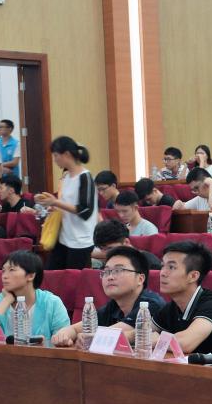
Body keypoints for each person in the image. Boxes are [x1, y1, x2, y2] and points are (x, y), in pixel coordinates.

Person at [52, 246, 165, 348]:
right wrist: (63, 335)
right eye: (106, 271)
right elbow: (75, 329)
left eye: (118, 271)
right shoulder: (113, 305)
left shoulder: (150, 305)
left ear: (140, 279)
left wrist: (87, 337)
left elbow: (112, 335)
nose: (110, 277)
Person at [151, 240, 212, 355]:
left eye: (171, 267)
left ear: (193, 276)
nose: (162, 273)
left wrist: (155, 340)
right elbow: (140, 333)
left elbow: (185, 343)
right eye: (162, 266)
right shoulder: (172, 307)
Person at [34, 136, 98, 270]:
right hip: (64, 236)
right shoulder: (67, 177)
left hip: (80, 240)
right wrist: (51, 204)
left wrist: (56, 202)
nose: (54, 159)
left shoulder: (85, 177)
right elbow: (65, 205)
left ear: (67, 154)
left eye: (56, 155)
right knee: (52, 275)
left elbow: (85, 210)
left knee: (73, 279)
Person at [0, 250, 69, 345]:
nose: (4, 276)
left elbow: (62, 341)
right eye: (3, 271)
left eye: (11, 270)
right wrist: (6, 300)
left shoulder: (52, 303)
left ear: (31, 276)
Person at [91, 220, 163, 269]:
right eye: (102, 249)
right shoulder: (107, 266)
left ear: (126, 242)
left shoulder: (150, 263)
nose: (106, 253)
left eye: (110, 248)